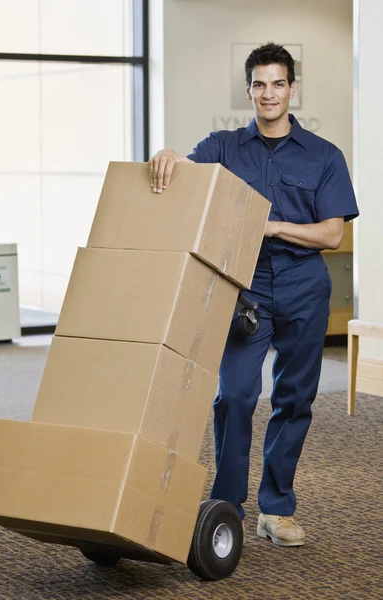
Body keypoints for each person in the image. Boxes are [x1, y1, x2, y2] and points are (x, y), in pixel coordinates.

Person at [148, 43, 359, 547]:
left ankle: (276, 508)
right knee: (235, 395)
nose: (269, 93)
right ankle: (227, 505)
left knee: (294, 398)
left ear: (292, 89)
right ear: (249, 91)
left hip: (305, 285)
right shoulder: (223, 147)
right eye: (259, 84)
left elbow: (331, 234)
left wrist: (275, 227)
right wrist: (166, 155)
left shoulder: (325, 156)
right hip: (244, 287)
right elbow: (186, 178)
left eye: (278, 83)